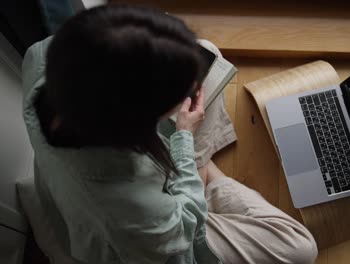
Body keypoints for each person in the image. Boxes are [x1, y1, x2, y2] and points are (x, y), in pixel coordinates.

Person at [22, 5, 317, 264]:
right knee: (300, 249)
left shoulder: (42, 55)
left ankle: (200, 166)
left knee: (208, 53)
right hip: (149, 236)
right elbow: (180, 228)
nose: (189, 89)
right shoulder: (133, 208)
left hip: (119, 180)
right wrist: (185, 138)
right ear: (136, 122)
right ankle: (202, 172)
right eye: (178, 94)